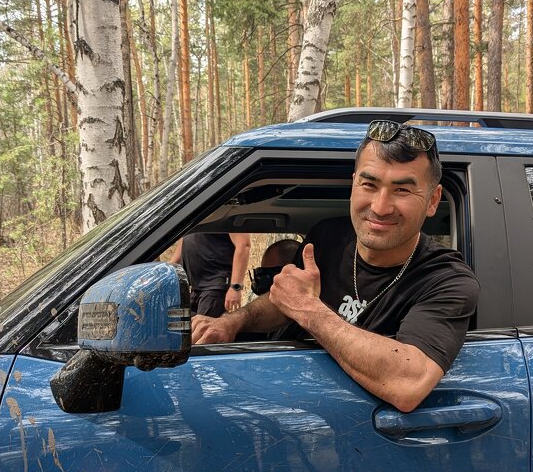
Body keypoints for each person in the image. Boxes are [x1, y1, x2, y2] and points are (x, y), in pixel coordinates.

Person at [192, 120, 479, 412]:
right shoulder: (328, 236)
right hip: (279, 397)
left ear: (432, 201)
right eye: (369, 185)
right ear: (354, 184)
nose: (380, 207)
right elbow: (285, 300)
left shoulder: (447, 279)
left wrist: (309, 310)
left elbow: (408, 383)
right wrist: (230, 323)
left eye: (402, 190)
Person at [170, 233, 251, 317]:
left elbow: (243, 244)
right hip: (195, 288)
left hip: (215, 286)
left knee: (204, 325)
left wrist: (235, 287)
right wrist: (166, 271)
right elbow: (185, 241)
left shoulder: (222, 222)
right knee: (180, 322)